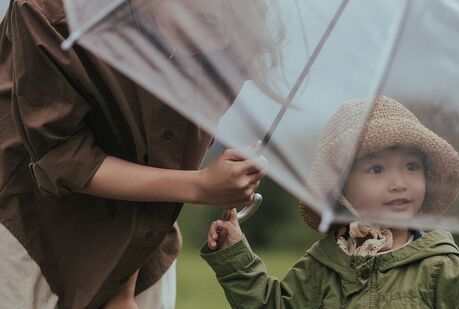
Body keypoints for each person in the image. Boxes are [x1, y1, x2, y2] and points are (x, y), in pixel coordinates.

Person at [0, 0, 279, 307]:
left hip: (145, 239)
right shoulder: (49, 10)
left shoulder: (233, 41)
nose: (202, 42)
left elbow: (168, 150)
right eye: (198, 18)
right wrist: (202, 186)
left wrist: (124, 282)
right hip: (34, 231)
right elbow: (62, 157)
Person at [201, 96, 459, 308]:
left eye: (411, 167)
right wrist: (236, 257)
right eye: (377, 169)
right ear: (341, 189)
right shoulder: (324, 263)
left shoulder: (439, 264)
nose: (399, 182)